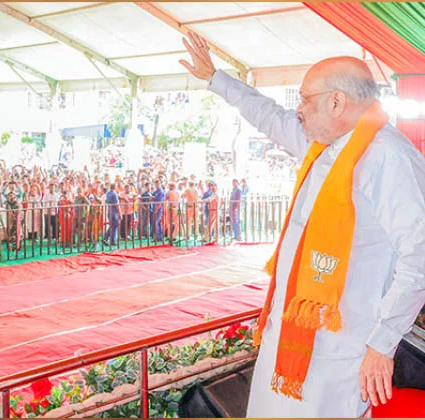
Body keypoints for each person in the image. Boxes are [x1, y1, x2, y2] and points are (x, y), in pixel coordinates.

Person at [181, 31, 425, 417]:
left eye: (305, 99)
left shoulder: (388, 157)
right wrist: (216, 78)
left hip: (341, 354)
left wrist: (382, 343)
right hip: (290, 340)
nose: (298, 110)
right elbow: (270, 117)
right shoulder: (326, 147)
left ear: (336, 101)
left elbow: (420, 256)